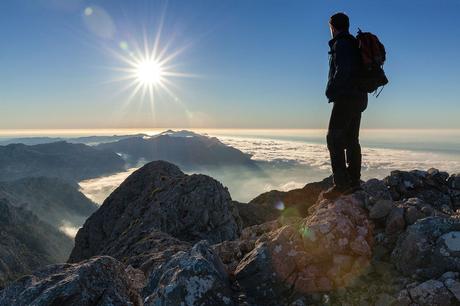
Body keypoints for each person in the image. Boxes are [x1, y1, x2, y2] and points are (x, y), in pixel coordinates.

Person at [323, 12, 368, 200]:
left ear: (332, 26)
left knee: (333, 138)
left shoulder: (341, 44)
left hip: (346, 98)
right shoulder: (353, 44)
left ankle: (341, 185)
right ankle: (354, 182)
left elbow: (343, 70)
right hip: (359, 97)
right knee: (351, 139)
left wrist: (331, 90)